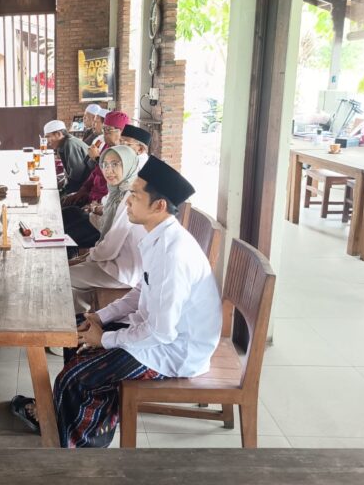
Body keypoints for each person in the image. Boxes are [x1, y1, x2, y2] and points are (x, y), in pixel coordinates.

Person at [12, 156, 221, 448]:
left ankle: (74, 444)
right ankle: (78, 420)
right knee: (75, 330)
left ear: (159, 206)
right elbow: (140, 292)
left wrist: (107, 339)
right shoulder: (158, 236)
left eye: (135, 195)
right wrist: (100, 316)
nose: (127, 203)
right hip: (157, 332)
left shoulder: (173, 255)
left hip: (173, 352)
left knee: (72, 379)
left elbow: (162, 334)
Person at [68, 146, 145, 312]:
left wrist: (87, 258)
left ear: (130, 164)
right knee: (72, 269)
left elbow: (110, 246)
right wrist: (88, 256)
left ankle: (73, 325)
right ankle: (82, 318)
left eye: (115, 164)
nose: (108, 171)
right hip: (114, 261)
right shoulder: (116, 193)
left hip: (124, 270)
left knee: (64, 277)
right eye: (104, 165)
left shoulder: (131, 198)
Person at [61, 111, 131, 255]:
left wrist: (93, 206)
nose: (104, 134)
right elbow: (94, 175)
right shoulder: (105, 147)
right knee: (64, 213)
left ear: (122, 132)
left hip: (101, 211)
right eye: (103, 129)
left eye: (108, 130)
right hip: (91, 201)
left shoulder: (128, 157)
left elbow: (113, 187)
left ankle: (69, 261)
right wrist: (83, 191)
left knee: (68, 232)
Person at [43, 120, 94, 194]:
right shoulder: (64, 144)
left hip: (85, 189)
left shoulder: (70, 144)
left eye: (48, 136)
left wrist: (64, 191)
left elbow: (76, 176)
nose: (47, 141)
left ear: (58, 134)